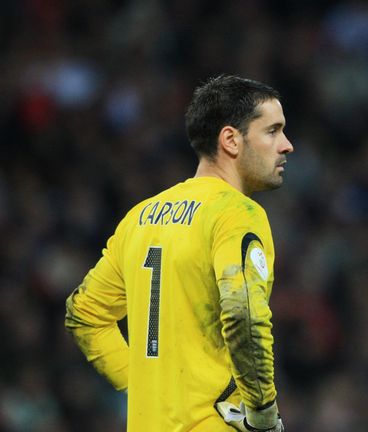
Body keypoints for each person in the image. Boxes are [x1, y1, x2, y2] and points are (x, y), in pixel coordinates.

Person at [65, 75, 293, 431]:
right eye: (273, 131)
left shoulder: (139, 217)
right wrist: (263, 413)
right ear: (231, 139)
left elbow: (84, 314)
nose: (286, 145)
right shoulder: (236, 213)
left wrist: (142, 384)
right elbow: (243, 311)